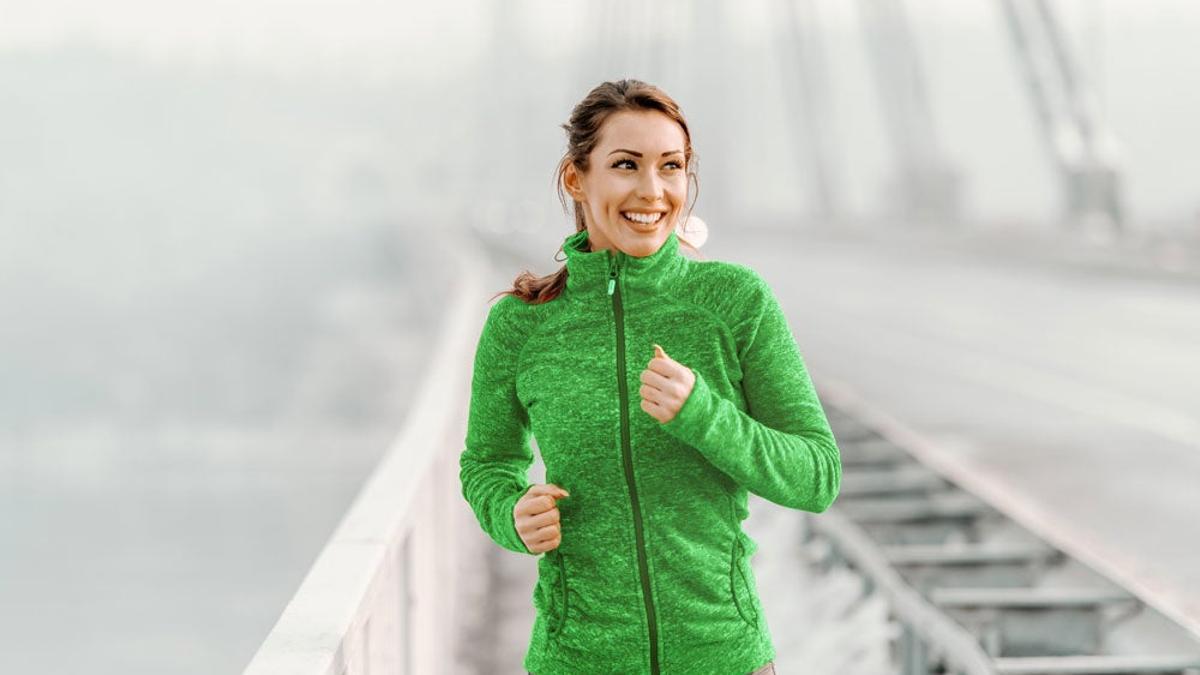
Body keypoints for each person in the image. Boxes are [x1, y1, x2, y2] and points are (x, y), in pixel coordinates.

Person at [459, 79, 841, 675]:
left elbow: (817, 476)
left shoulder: (735, 301)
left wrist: (704, 415)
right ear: (575, 178)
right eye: (626, 165)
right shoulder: (520, 325)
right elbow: (486, 465)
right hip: (577, 658)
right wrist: (511, 514)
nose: (653, 191)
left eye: (672, 167)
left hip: (723, 657)